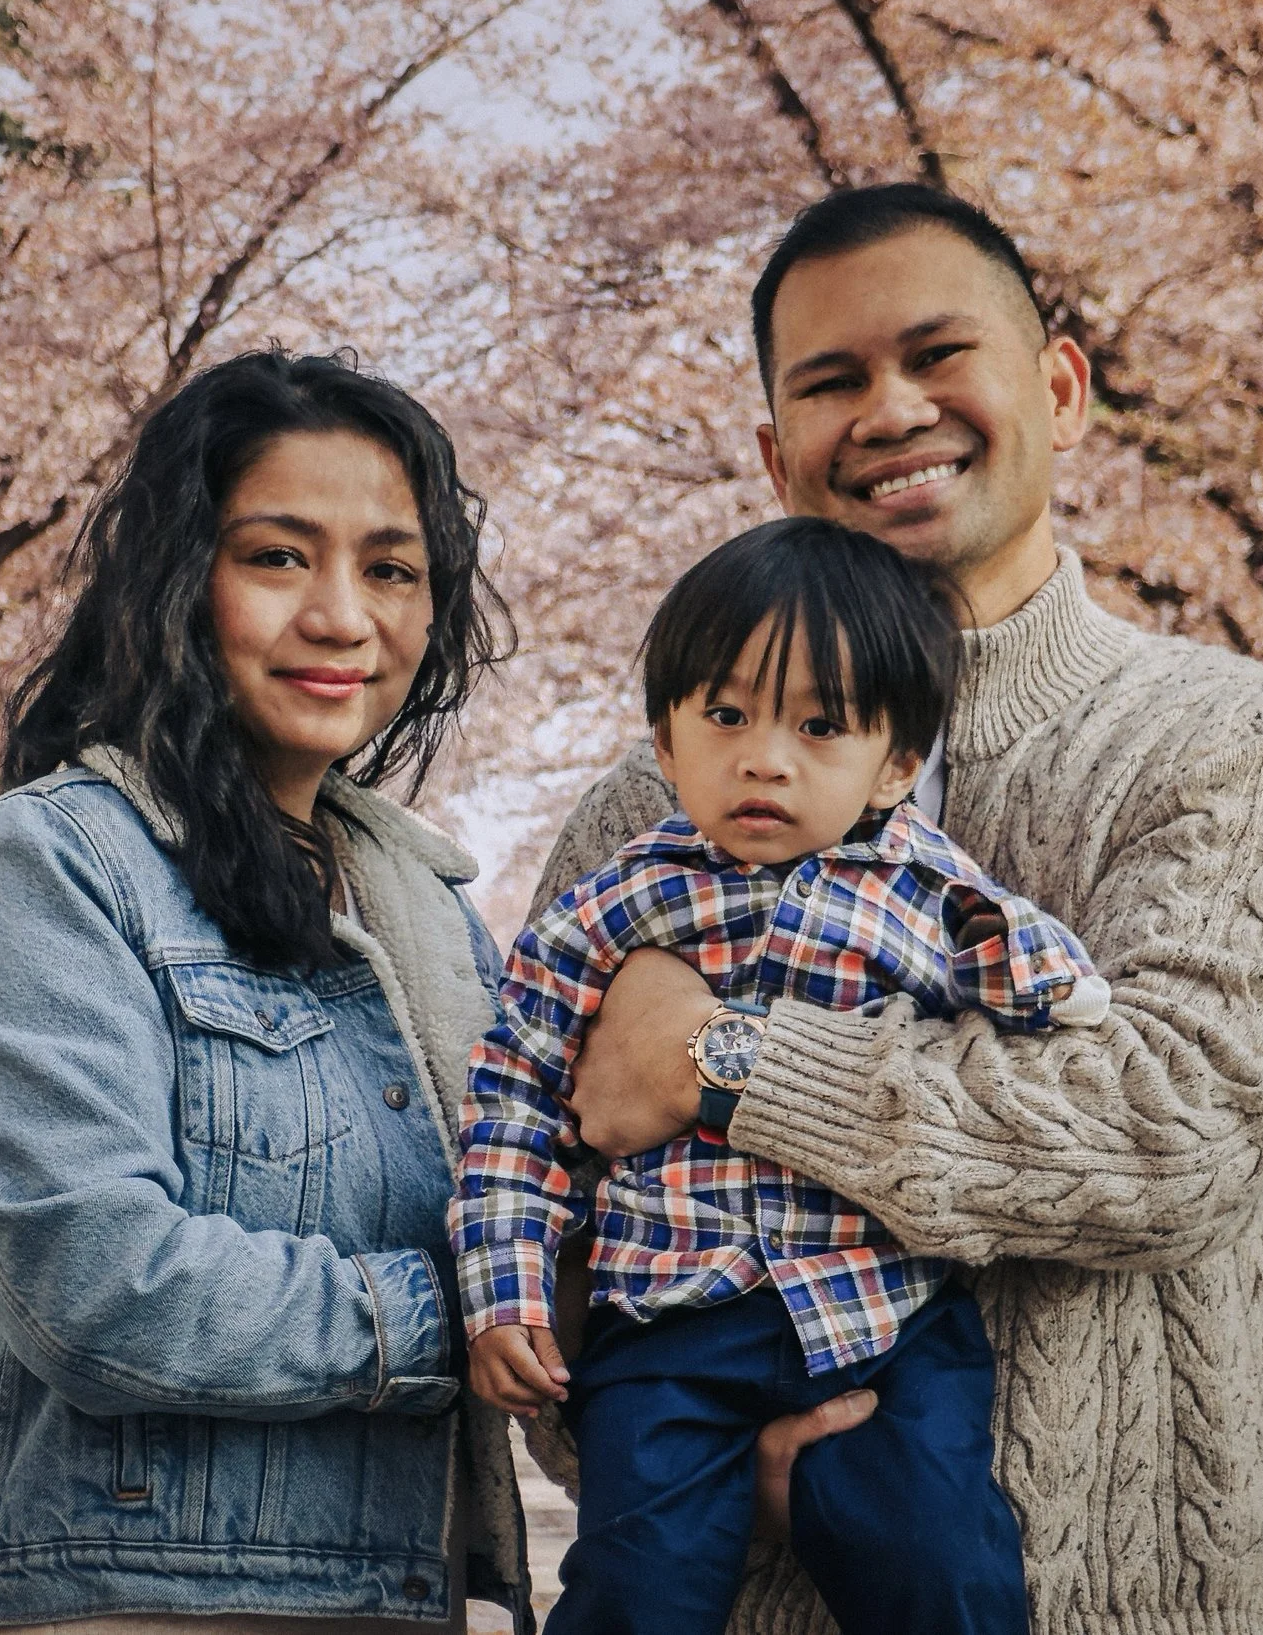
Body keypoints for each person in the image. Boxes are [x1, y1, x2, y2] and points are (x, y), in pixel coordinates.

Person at [532, 185, 1263, 1635]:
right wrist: (733, 1473)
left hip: (1137, 1602)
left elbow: (1180, 1124)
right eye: (832, 381)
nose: (890, 407)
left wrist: (725, 1062)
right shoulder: (645, 807)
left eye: (939, 353)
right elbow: (542, 1218)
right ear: (774, 450)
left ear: (1057, 385)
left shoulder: (1241, 746)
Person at [0, 351, 533, 1634]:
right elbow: (93, 1286)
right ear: (179, 580)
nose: (343, 617)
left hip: (395, 1597)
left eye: (392, 569)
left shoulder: (421, 904)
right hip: (136, 1604)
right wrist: (466, 1307)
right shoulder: (53, 867)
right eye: (279, 557)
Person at [456, 518, 1111, 1635]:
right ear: (666, 742)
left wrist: (1041, 982)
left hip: (883, 1319)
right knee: (635, 1588)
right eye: (725, 716)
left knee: (947, 1571)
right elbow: (514, 1098)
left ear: (895, 764)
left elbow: (1053, 997)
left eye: (821, 726)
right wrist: (505, 1287)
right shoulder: (611, 907)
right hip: (667, 1319)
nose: (765, 757)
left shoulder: (919, 887)